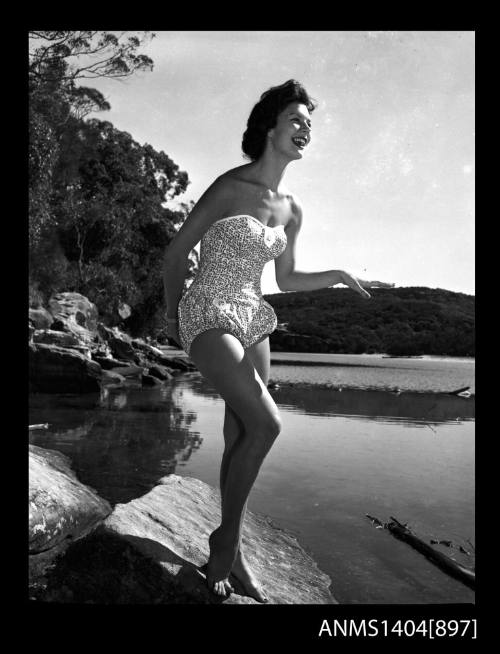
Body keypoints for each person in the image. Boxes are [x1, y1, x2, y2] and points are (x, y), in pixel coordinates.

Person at [162, 79, 394, 602]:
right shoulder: (230, 186)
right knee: (268, 424)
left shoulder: (293, 209)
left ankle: (233, 544)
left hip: (253, 315)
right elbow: (175, 255)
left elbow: (285, 280)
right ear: (270, 126)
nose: (305, 128)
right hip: (208, 308)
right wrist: (174, 317)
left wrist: (335, 273)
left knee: (241, 434)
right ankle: (225, 541)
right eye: (296, 119)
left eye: (311, 122)